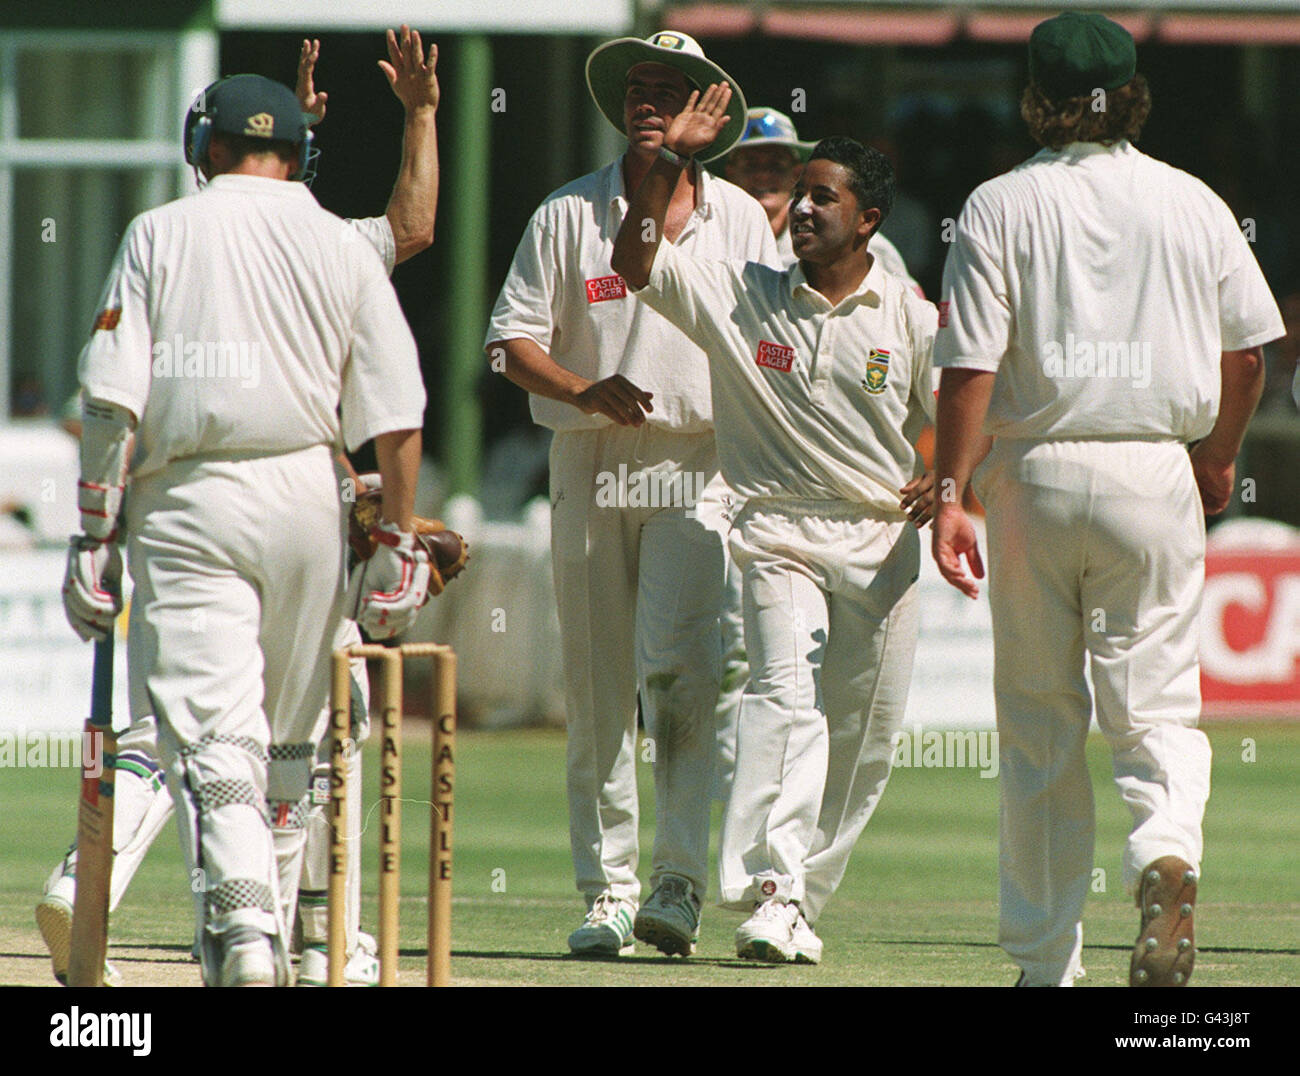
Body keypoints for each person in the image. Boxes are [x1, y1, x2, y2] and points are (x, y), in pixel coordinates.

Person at [39, 28, 440, 989]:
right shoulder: (338, 240)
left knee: (218, 735)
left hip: (192, 498)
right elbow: (399, 409)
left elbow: (110, 397)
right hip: (312, 490)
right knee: (295, 737)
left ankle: (246, 936)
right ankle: (290, 945)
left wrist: (94, 534)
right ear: (301, 152)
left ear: (202, 147)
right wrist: (394, 541)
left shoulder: (161, 231)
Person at [930, 12, 1285, 988]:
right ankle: (1164, 850)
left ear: (1034, 99)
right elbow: (1248, 354)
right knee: (1157, 703)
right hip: (1153, 467)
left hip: (1035, 468)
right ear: (1132, 96)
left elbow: (967, 366)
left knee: (1039, 719)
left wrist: (949, 493)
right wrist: (1214, 457)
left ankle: (1046, 961)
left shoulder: (998, 203)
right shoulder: (1194, 202)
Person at [612, 87, 937, 964]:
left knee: (861, 746)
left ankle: (800, 900)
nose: (800, 210)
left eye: (822, 197)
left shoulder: (906, 313)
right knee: (783, 699)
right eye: (799, 196)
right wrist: (674, 162)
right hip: (777, 535)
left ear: (868, 219)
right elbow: (636, 261)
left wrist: (951, 476)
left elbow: (960, 403)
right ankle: (773, 888)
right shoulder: (740, 292)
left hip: (878, 546)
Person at [484, 31, 778, 959]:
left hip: (702, 464)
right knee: (599, 686)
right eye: (636, 86)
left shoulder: (740, 220)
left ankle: (679, 882)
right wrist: (579, 389)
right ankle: (606, 889)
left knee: (684, 680)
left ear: (706, 104)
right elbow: (507, 343)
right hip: (592, 459)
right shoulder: (568, 214)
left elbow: (772, 348)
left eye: (669, 87)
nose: (648, 99)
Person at [724, 106, 920, 294]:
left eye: (776, 166)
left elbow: (911, 300)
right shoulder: (715, 231)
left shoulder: (853, 240)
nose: (763, 176)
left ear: (797, 173)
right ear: (729, 172)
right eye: (750, 166)